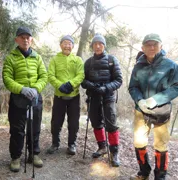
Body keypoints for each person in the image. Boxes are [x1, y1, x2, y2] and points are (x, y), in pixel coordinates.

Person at [129, 33, 178, 180]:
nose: (151, 47)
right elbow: (133, 87)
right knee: (139, 143)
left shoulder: (171, 65)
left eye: (155, 44)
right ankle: (144, 173)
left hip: (161, 111)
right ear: (142, 47)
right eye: (148, 45)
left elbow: (176, 87)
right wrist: (140, 101)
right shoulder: (138, 66)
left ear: (160, 46)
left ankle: (160, 177)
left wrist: (156, 100)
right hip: (141, 111)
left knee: (161, 145)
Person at [2, 26, 48, 172]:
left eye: (28, 37)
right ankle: (15, 157)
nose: (25, 39)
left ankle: (33, 154)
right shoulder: (11, 57)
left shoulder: (38, 57)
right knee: (17, 129)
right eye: (22, 37)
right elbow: (7, 78)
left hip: (35, 98)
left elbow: (44, 76)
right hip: (18, 99)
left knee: (34, 128)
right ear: (17, 39)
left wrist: (36, 89)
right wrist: (21, 89)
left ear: (31, 40)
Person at [81, 34, 122, 167]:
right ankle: (102, 147)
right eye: (95, 44)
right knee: (96, 122)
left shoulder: (112, 60)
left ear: (104, 45)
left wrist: (106, 88)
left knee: (111, 124)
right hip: (93, 96)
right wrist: (91, 86)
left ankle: (114, 152)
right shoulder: (88, 62)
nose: (98, 46)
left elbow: (118, 80)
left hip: (108, 97)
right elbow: (83, 80)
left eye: (100, 43)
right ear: (92, 46)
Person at [46, 35, 84, 155]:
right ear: (61, 45)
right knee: (56, 122)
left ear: (73, 46)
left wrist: (70, 84)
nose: (67, 45)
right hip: (59, 97)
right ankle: (55, 143)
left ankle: (72, 144)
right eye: (65, 43)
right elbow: (50, 75)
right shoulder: (54, 60)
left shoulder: (78, 60)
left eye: (69, 43)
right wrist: (60, 85)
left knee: (73, 122)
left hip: (74, 97)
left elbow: (81, 75)